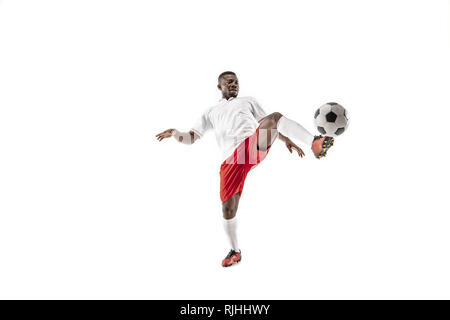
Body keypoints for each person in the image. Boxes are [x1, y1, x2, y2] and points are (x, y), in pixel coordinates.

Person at [156, 71, 333, 267]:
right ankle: (235, 251)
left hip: (251, 146)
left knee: (274, 117)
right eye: (229, 82)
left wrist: (286, 140)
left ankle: (314, 142)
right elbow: (191, 137)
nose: (233, 85)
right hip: (230, 161)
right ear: (219, 86)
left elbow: (269, 123)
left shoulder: (248, 101)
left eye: (236, 82)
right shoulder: (210, 112)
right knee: (228, 209)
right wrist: (174, 133)